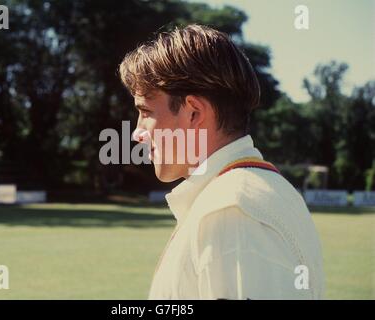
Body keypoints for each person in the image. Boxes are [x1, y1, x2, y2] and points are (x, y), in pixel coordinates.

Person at [118, 24, 324, 299]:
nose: (137, 132)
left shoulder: (231, 212)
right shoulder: (249, 194)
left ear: (193, 113)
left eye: (145, 111)